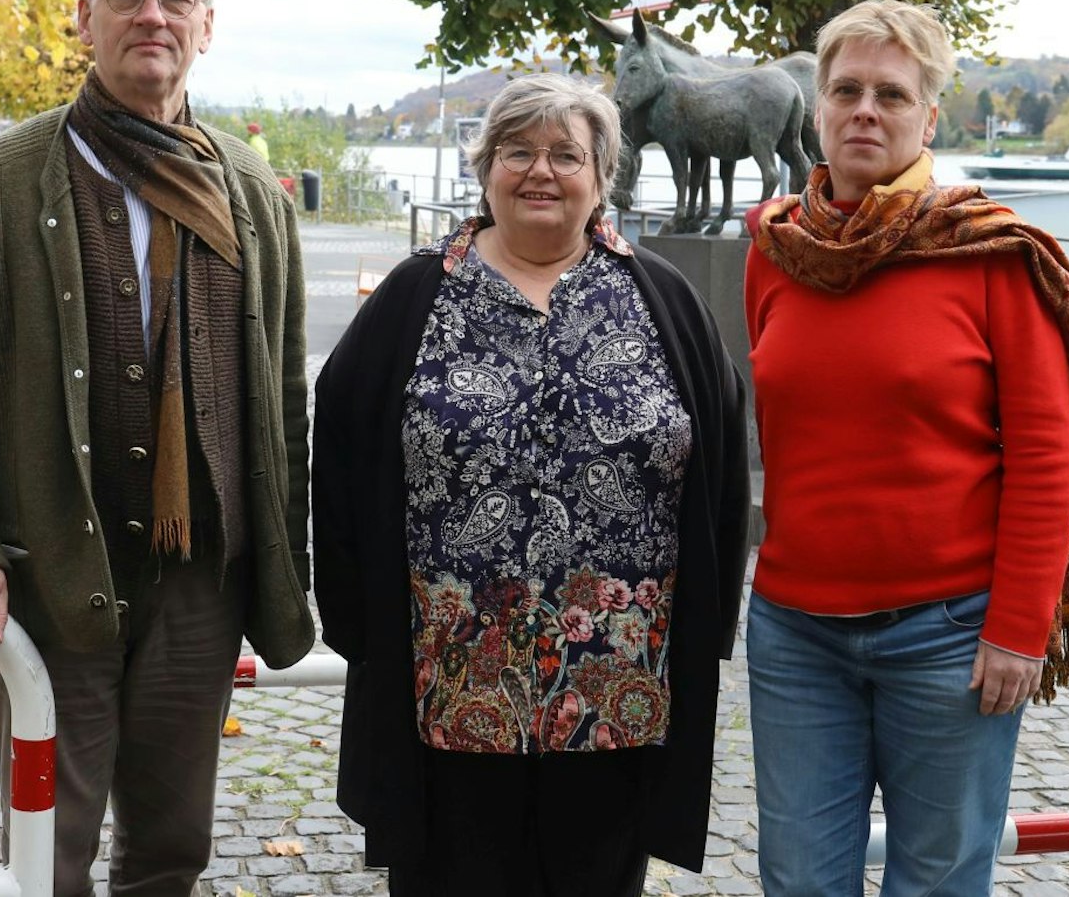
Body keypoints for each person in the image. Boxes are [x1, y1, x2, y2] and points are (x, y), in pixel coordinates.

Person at [0, 0, 314, 897]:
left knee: (172, 847)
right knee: (51, 850)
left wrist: (281, 568)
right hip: (50, 576)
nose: (151, 15)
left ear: (206, 26)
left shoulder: (253, 191)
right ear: (84, 19)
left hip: (197, 587)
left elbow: (280, 402)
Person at [312, 75, 748, 896]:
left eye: (564, 155)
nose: (539, 171)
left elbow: (719, 469)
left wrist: (705, 631)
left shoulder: (660, 299)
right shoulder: (418, 295)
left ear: (600, 176)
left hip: (616, 678)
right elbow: (337, 449)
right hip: (447, 676)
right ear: (485, 168)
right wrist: (356, 625)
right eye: (517, 151)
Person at [741, 0, 1069, 896]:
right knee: (797, 882)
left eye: (891, 95)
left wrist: (1020, 626)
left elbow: (1047, 456)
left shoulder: (987, 253)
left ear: (928, 116)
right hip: (795, 633)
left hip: (948, 636)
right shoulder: (777, 249)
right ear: (817, 107)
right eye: (846, 89)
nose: (865, 110)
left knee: (938, 882)